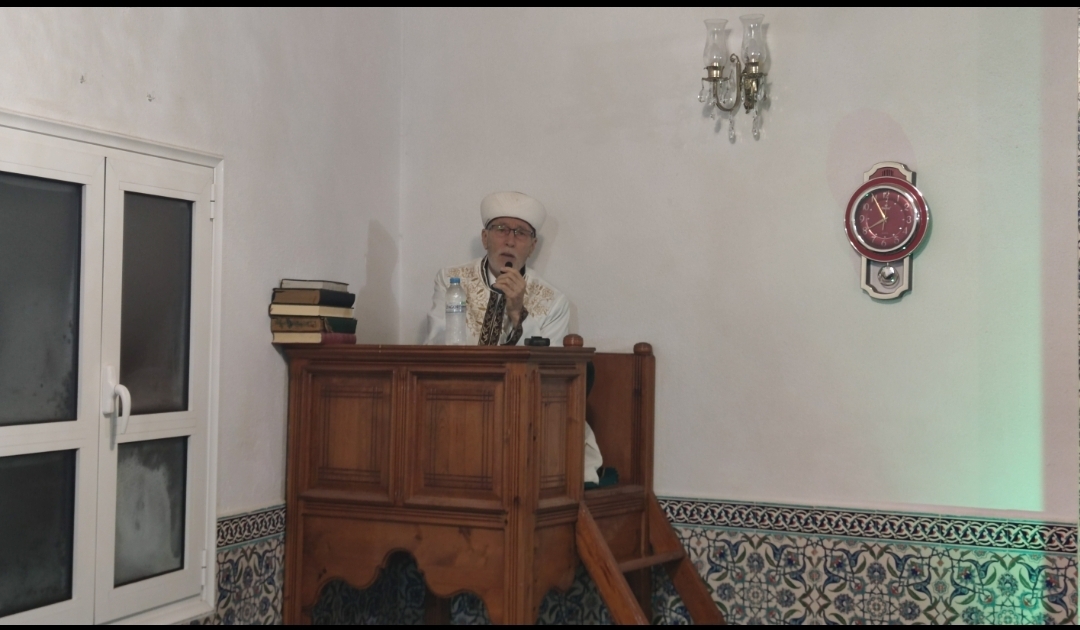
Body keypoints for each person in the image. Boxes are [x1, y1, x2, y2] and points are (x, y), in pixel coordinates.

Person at [424, 191, 603, 484]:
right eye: (501, 229)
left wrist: (518, 314)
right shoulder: (451, 280)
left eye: (521, 233)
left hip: (523, 415)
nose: (510, 240)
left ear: (532, 246)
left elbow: (550, 379)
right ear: (485, 238)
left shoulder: (553, 301)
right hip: (457, 400)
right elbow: (437, 342)